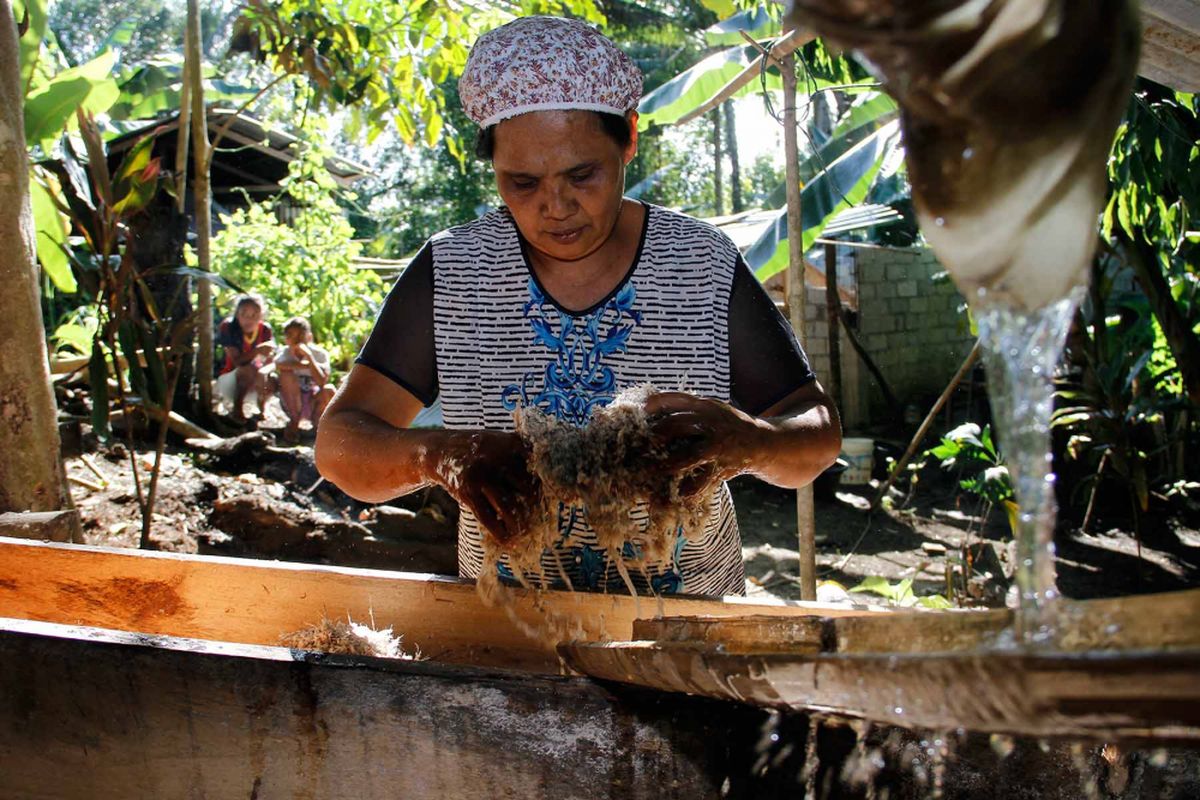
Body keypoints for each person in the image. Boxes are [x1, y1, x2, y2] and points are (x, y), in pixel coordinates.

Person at [316, 16, 841, 597]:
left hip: (687, 626)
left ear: (629, 138)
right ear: (492, 167)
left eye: (582, 174)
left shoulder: (700, 262)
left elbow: (815, 434)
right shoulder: (454, 272)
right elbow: (341, 446)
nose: (555, 207)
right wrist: (440, 456)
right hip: (509, 625)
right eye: (521, 183)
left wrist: (751, 442)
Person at [273, 316, 334, 444]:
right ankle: (294, 422)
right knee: (286, 375)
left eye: (300, 336)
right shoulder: (284, 353)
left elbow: (322, 381)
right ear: (286, 338)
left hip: (312, 399)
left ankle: (318, 425)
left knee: (329, 390)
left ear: (309, 337)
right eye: (291, 336)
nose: (296, 341)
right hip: (292, 401)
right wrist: (306, 366)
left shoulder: (320, 354)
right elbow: (279, 365)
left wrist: (309, 357)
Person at [215, 294, 275, 422]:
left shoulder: (265, 330)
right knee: (247, 369)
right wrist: (257, 350)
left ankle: (262, 407)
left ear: (261, 316)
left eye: (254, 315)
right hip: (229, 381)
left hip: (255, 380)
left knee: (274, 379)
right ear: (237, 314)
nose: (249, 319)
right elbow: (237, 361)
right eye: (244, 314)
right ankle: (237, 409)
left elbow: (269, 360)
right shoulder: (229, 327)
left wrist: (264, 369)